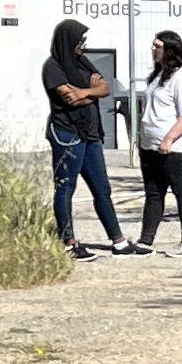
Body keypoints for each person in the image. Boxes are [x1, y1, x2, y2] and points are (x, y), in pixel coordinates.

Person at [40, 19, 144, 260]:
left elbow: (104, 89)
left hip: (91, 134)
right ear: (68, 41)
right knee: (66, 187)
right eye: (80, 41)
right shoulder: (53, 68)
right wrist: (89, 94)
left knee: (102, 188)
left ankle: (118, 240)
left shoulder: (83, 63)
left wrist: (85, 92)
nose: (83, 46)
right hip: (67, 134)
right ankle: (69, 241)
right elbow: (69, 99)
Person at [134, 28, 182, 256]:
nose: (153, 50)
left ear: (170, 49)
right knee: (154, 193)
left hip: (176, 148)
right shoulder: (157, 76)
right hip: (150, 147)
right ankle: (146, 240)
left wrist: (169, 138)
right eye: (153, 46)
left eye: (158, 46)